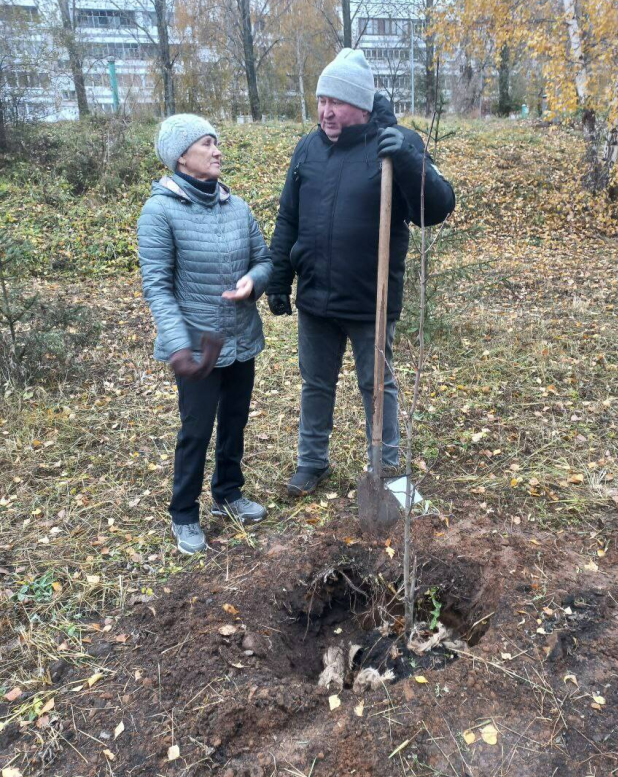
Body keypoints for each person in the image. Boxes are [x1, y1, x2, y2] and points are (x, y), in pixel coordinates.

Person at [266, 49, 455, 497]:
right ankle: (311, 462)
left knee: (376, 386)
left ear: (362, 105)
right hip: (316, 297)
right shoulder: (308, 148)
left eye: (336, 101)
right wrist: (279, 276)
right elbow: (287, 218)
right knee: (315, 383)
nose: (326, 111)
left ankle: (386, 468)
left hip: (371, 298)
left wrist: (410, 160)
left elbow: (440, 206)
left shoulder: (394, 143)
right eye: (321, 100)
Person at [138, 114, 272, 555]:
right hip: (197, 347)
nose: (218, 151)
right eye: (207, 144)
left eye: (217, 143)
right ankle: (184, 514)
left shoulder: (237, 206)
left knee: (235, 421)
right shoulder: (160, 211)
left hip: (240, 337)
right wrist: (178, 344)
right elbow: (157, 286)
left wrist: (255, 281)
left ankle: (228, 494)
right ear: (181, 156)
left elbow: (264, 258)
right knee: (197, 429)